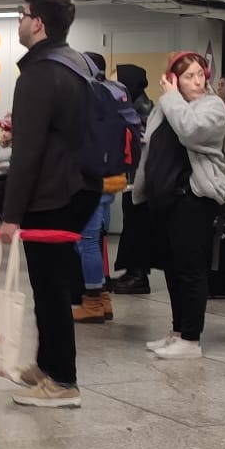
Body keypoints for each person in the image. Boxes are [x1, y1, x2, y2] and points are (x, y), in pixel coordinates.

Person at [0, 0, 100, 408]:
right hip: (80, 186)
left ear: (37, 22)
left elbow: (28, 153)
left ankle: (62, 381)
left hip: (52, 194)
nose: (18, 22)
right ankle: (46, 363)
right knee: (50, 283)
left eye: (20, 15)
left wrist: (10, 215)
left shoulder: (40, 73)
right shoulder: (79, 63)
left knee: (51, 287)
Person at [132, 53, 225, 359]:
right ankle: (177, 332)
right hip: (165, 198)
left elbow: (190, 130)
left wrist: (172, 96)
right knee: (173, 269)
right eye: (189, 76)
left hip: (194, 198)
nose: (198, 81)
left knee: (191, 269)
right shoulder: (165, 108)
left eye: (201, 74)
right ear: (174, 78)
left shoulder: (213, 106)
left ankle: (191, 338)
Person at [72, 52, 131, 325]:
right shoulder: (116, 92)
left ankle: (93, 302)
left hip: (93, 178)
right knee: (96, 240)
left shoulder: (90, 95)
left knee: (87, 242)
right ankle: (103, 299)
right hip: (112, 176)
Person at [108, 64, 155, 295]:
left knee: (138, 226)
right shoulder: (132, 106)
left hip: (140, 178)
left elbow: (142, 141)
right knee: (131, 224)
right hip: (132, 177)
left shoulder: (141, 109)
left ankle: (139, 275)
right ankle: (131, 271)